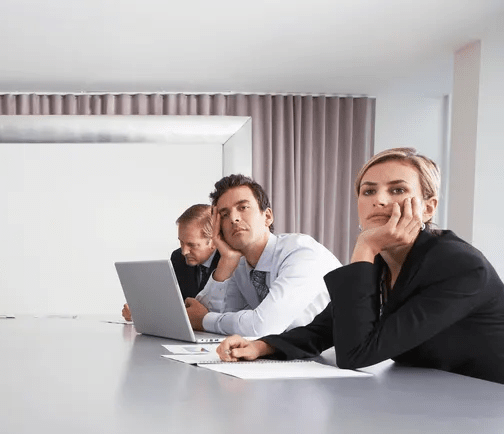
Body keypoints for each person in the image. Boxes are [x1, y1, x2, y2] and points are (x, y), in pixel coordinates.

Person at [215, 148, 504, 384]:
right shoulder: (382, 260)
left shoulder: (460, 266)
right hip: (433, 398)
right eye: (368, 191)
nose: (379, 200)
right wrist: (262, 346)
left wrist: (366, 245)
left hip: (487, 406)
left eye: (397, 190)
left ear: (428, 208)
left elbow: (356, 353)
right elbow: (324, 328)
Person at [186, 174, 340, 337]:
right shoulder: (240, 265)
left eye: (243, 207)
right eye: (224, 214)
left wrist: (204, 320)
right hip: (286, 356)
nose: (234, 218)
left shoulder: (301, 252)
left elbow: (263, 326)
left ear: (267, 217)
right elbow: (201, 312)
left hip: (334, 356)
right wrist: (226, 261)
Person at [122, 204, 220, 321]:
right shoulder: (178, 258)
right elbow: (172, 304)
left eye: (191, 245)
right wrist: (141, 312)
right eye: (181, 242)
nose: (184, 251)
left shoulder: (230, 262)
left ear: (214, 241)